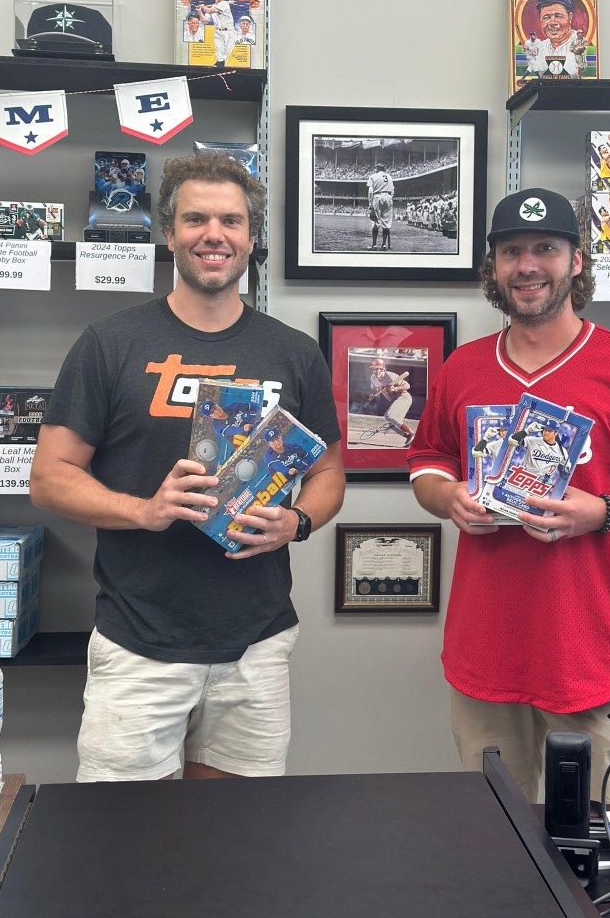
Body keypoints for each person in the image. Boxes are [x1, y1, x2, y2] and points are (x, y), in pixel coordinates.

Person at [29, 151, 345, 783]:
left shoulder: (295, 353)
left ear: (252, 239)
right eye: (195, 219)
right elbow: (48, 477)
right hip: (138, 643)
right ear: (169, 234)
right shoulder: (109, 344)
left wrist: (299, 523)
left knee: (236, 834)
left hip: (256, 643)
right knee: (126, 835)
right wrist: (144, 511)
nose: (214, 235)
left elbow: (329, 473)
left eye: (231, 221)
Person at [406, 186, 610, 804]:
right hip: (488, 646)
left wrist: (600, 512)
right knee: (496, 834)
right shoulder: (463, 367)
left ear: (576, 261)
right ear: (493, 267)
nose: (527, 266)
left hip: (594, 646)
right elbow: (428, 463)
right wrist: (450, 499)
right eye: (511, 251)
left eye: (545, 248)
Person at [533, 0, 580, 78]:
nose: (552, 22)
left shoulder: (582, 45)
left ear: (570, 17)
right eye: (546, 17)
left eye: (558, 16)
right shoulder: (540, 47)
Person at [368, 358, 414, 446]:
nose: (376, 371)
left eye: (379, 369)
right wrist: (372, 395)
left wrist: (395, 389)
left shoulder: (390, 376)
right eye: (374, 369)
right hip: (395, 399)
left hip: (404, 397)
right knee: (391, 425)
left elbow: (407, 386)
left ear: (384, 369)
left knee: (389, 416)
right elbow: (374, 388)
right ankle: (409, 437)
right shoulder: (373, 378)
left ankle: (411, 433)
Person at [197, 0, 236, 67]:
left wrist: (203, 7)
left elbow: (210, 11)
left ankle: (222, 67)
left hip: (229, 32)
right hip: (218, 33)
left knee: (226, 56)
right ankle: (219, 66)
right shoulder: (213, 6)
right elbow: (205, 21)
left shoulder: (224, 4)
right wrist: (199, 11)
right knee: (220, 59)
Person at [367, 163, 395, 250]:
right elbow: (392, 191)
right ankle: (384, 245)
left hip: (377, 197)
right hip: (388, 197)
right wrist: (388, 197)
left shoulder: (373, 176)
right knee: (386, 223)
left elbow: (370, 191)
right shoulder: (389, 177)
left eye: (375, 168)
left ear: (377, 169)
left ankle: (374, 245)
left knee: (376, 221)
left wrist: (370, 203)